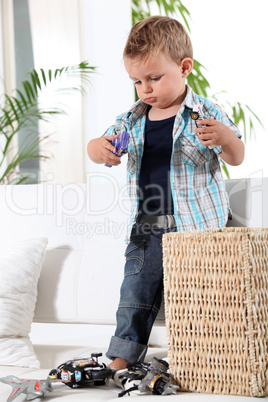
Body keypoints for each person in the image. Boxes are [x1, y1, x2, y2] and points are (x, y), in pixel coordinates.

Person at [87, 15, 245, 370]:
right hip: (146, 227)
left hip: (198, 230)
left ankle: (206, 357)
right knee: (135, 292)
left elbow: (237, 156)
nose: (145, 88)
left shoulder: (204, 112)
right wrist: (97, 147)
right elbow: (100, 146)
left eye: (154, 78)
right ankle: (123, 358)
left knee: (201, 295)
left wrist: (226, 138)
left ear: (184, 67)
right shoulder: (131, 120)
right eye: (137, 81)